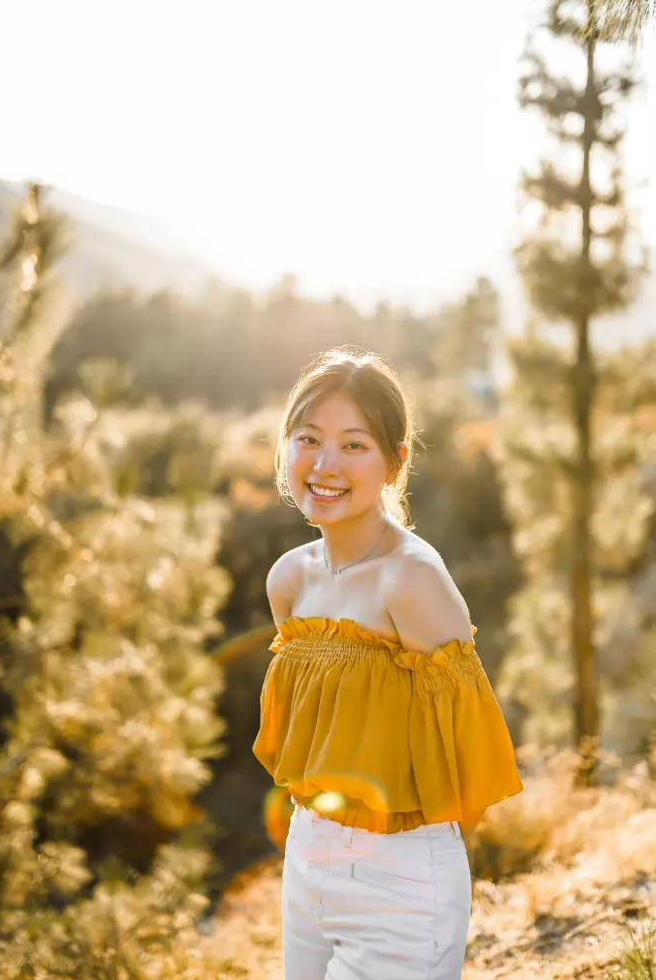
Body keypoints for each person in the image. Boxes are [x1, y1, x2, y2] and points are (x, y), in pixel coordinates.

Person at [252, 347, 523, 980]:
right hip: (305, 859)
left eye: (354, 445)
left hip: (400, 880)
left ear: (396, 462)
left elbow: (470, 746)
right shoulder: (288, 579)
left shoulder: (412, 579)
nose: (324, 465)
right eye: (308, 439)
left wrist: (392, 846)